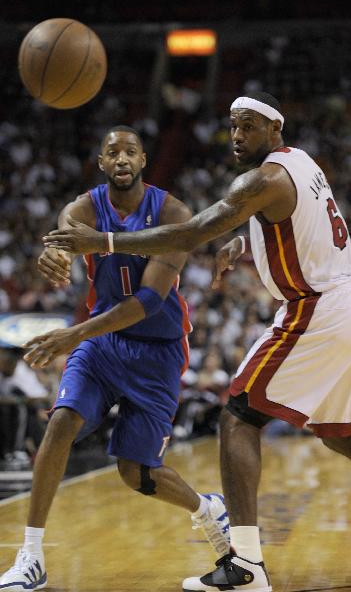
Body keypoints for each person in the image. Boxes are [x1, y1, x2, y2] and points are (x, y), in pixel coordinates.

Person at [41, 92, 351, 592]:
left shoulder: (262, 179)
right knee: (343, 433)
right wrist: (244, 242)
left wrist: (103, 241)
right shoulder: (298, 164)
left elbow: (188, 233)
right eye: (232, 126)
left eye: (247, 127)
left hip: (319, 307)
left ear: (274, 129)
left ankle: (247, 567)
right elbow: (288, 221)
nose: (236, 136)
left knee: (238, 415)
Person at [0, 126, 230, 592]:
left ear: (144, 160)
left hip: (156, 350)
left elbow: (147, 301)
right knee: (61, 423)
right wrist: (54, 256)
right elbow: (62, 233)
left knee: (136, 473)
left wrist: (73, 333)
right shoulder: (85, 208)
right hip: (103, 345)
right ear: (102, 164)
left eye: (130, 151)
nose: (121, 158)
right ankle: (31, 555)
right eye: (112, 152)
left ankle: (207, 510)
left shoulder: (174, 213)